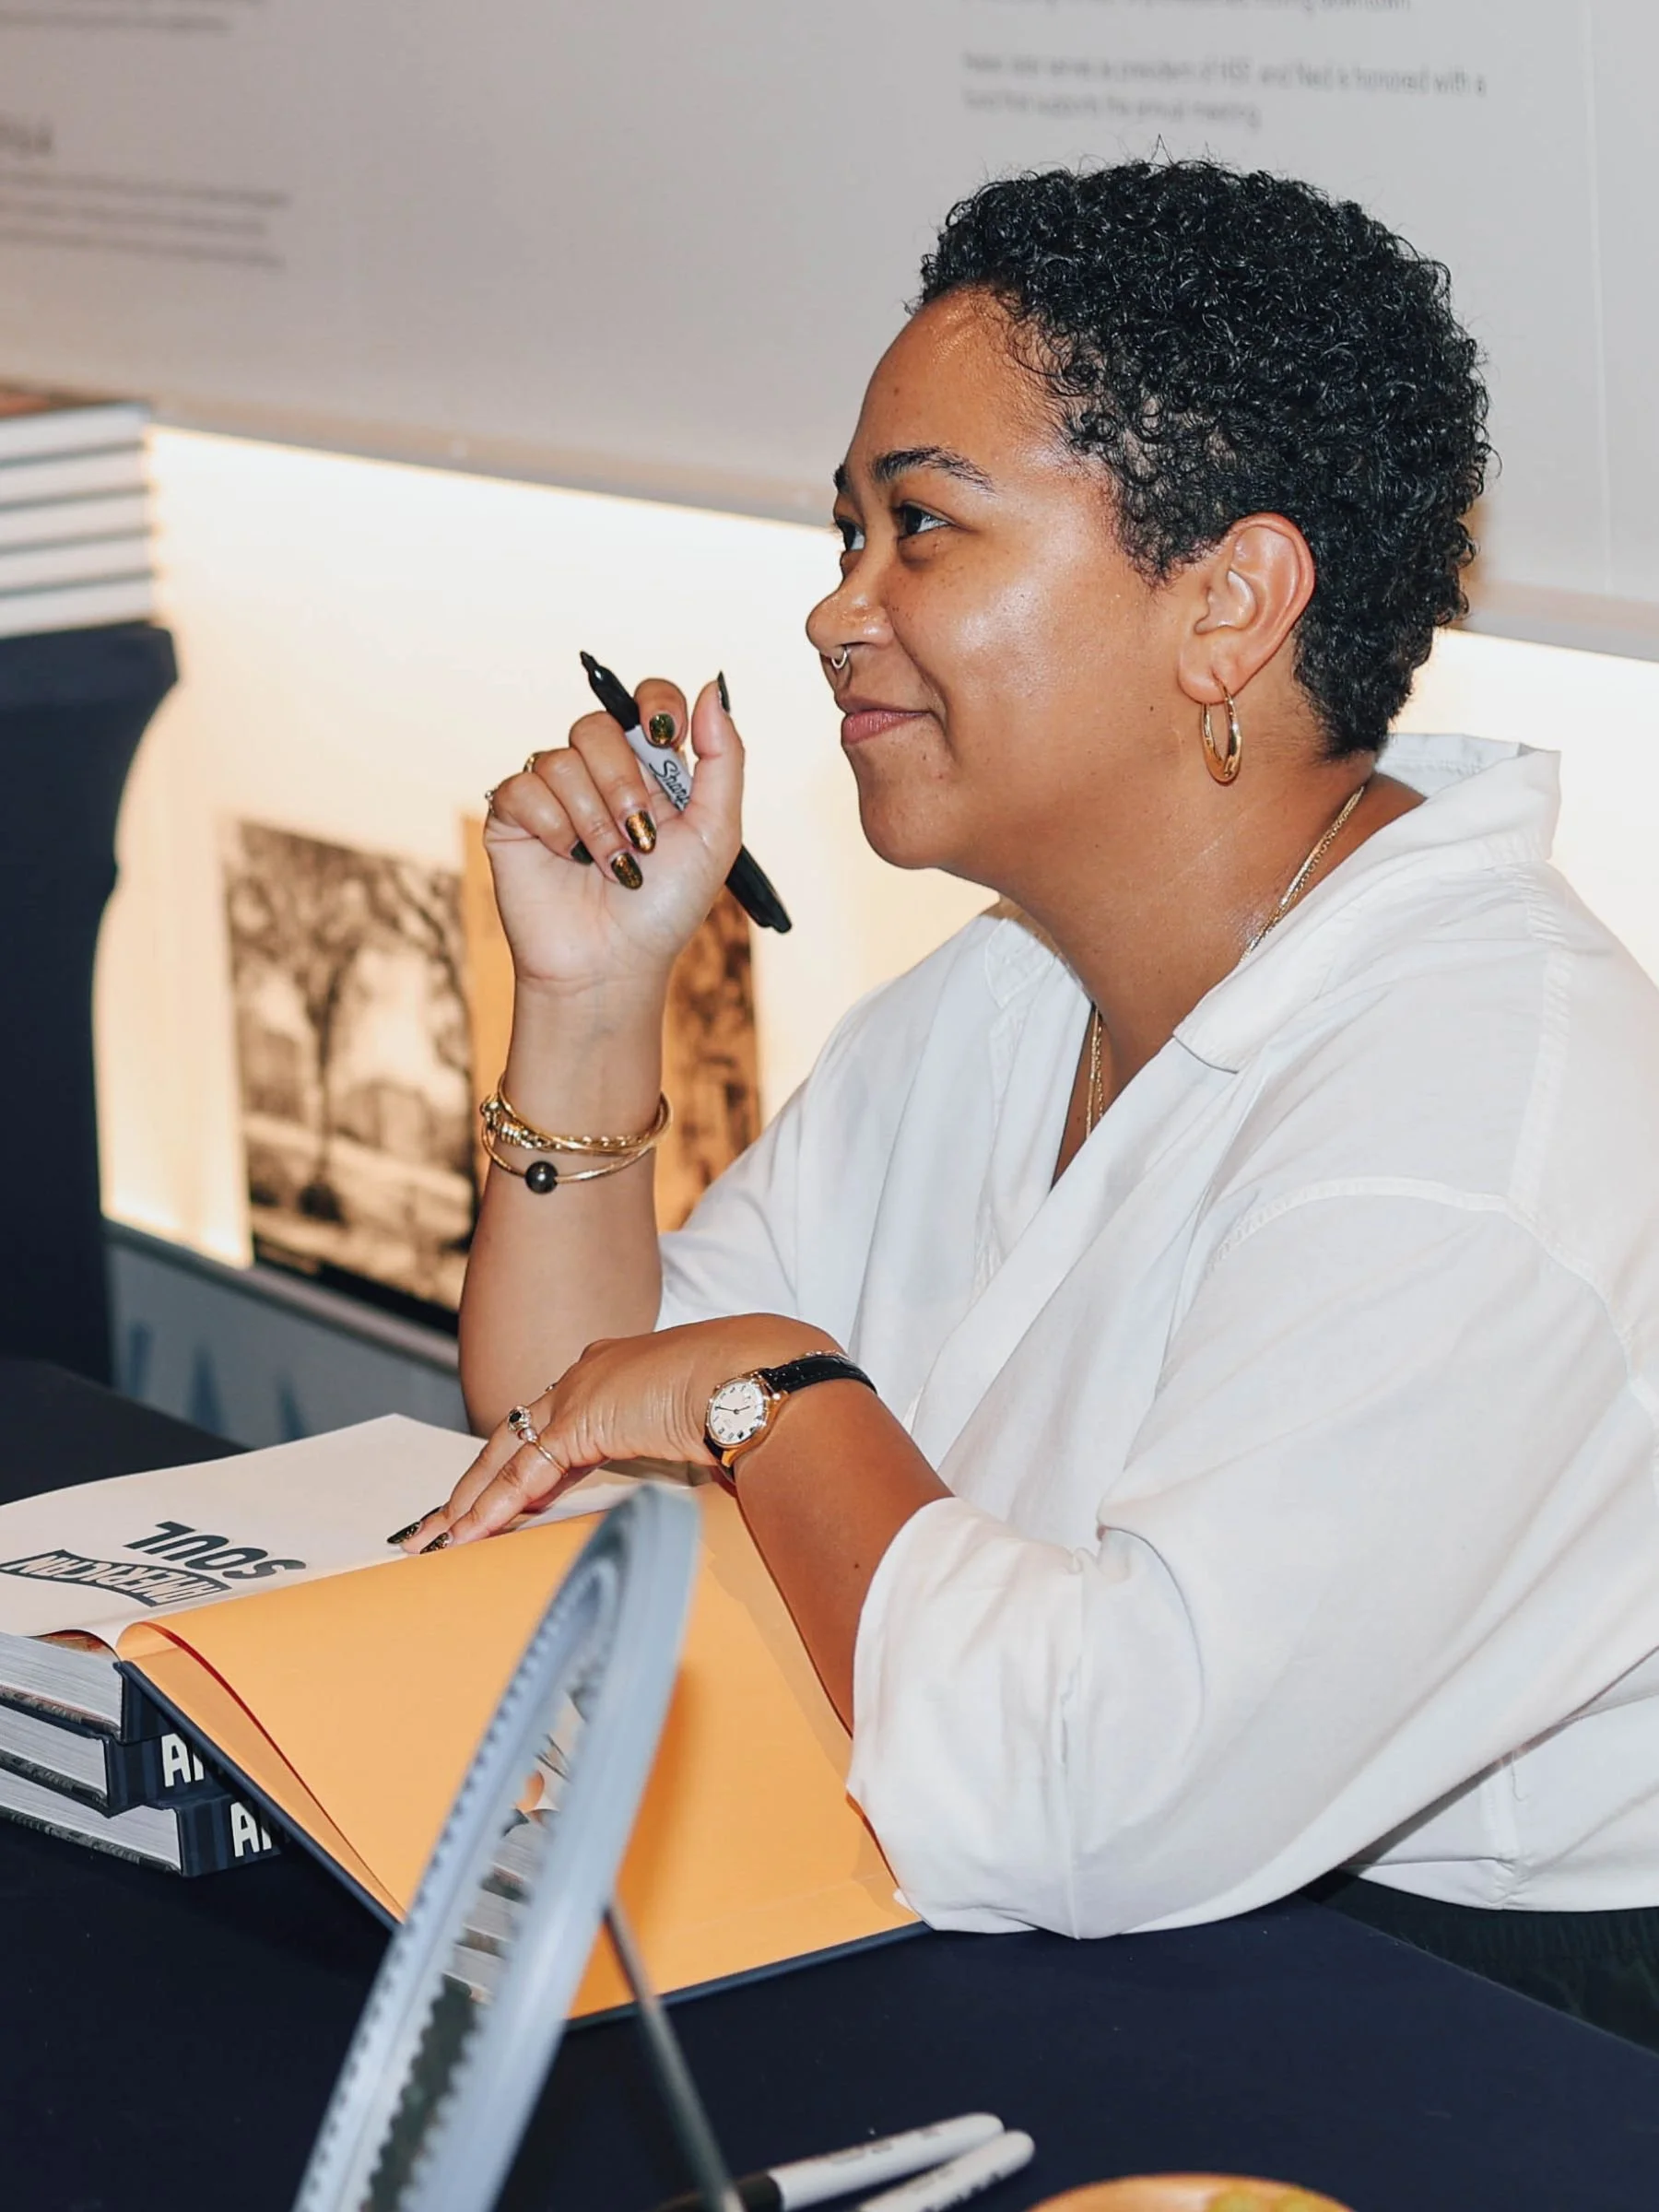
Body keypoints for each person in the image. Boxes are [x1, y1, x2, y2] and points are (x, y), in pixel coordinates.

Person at [405, 161, 1659, 2045]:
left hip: (1469, 2038)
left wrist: (769, 1396)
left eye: (921, 529)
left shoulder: (1474, 1124)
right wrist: (592, 1003)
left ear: (1229, 602)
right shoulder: (1011, 990)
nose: (835, 611)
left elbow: (1092, 1791)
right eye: (846, 531)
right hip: (1087, 1946)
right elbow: (567, 1423)